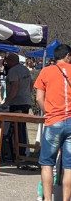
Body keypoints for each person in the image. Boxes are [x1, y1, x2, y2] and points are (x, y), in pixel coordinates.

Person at [35, 44, 71, 201]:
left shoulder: (45, 71)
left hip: (53, 121)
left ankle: (48, 199)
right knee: (69, 167)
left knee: (47, 163)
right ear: (68, 56)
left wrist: (48, 111)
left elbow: (38, 97)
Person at [2, 53, 32, 158]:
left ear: (11, 60)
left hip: (17, 103)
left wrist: (6, 102)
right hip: (26, 101)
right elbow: (31, 84)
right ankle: (21, 152)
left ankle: (19, 153)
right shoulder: (25, 69)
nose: (6, 63)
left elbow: (14, 87)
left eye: (7, 61)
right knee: (21, 127)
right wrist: (28, 95)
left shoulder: (13, 71)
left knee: (16, 129)